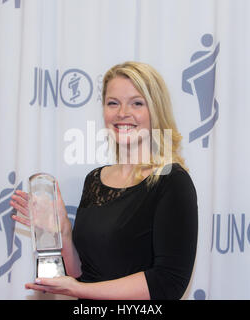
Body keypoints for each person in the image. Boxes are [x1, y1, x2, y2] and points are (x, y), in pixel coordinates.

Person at [10, 61, 198, 300]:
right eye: (113, 103)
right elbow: (81, 272)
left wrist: (80, 290)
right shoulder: (95, 180)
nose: (122, 113)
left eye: (136, 103)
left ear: (156, 110)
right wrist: (63, 232)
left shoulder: (172, 181)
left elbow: (168, 283)